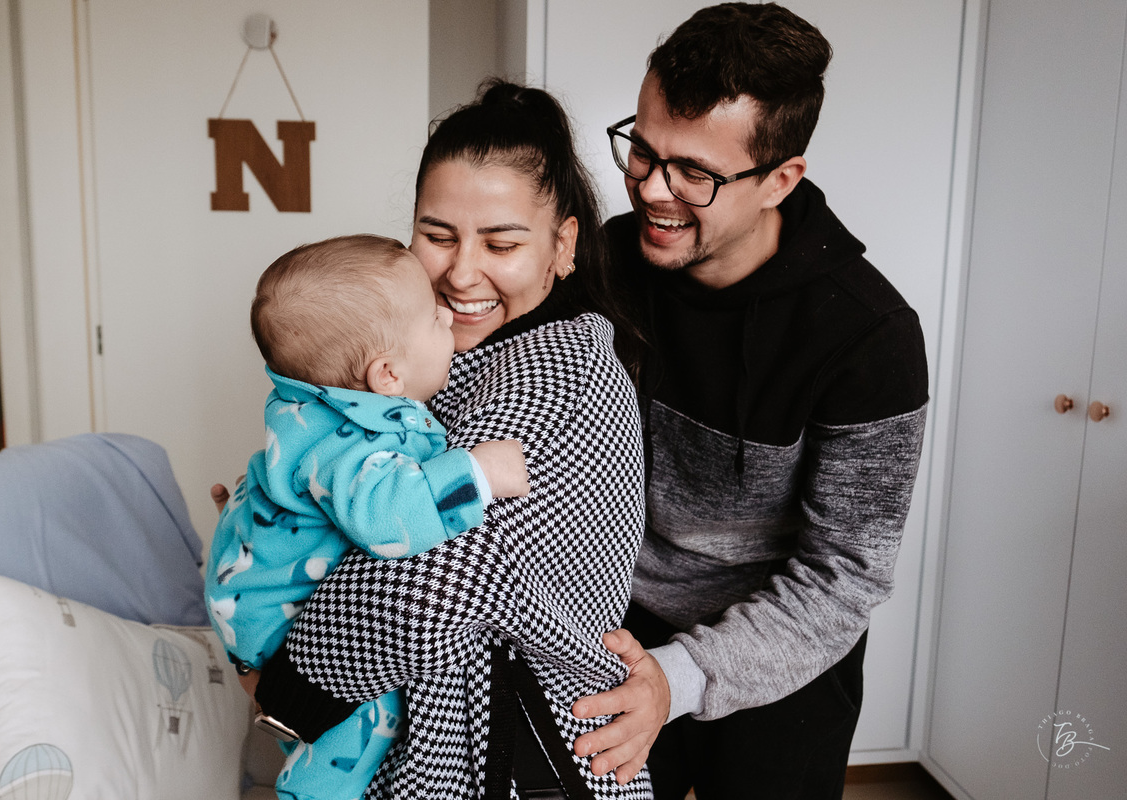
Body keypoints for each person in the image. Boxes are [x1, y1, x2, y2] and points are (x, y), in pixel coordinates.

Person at [237, 82, 652, 800]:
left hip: (521, 757)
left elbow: (434, 573)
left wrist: (287, 692)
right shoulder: (444, 356)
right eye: (437, 236)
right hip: (454, 747)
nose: (461, 273)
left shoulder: (555, 367)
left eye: (501, 242)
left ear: (564, 246)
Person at [571, 4, 930, 799]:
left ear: (780, 180)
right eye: (643, 150)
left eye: (694, 172)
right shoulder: (602, 267)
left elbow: (844, 576)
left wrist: (681, 676)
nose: (653, 191)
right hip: (613, 622)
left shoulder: (869, 335)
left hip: (783, 643)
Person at [205, 234, 529, 800]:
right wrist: (477, 473)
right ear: (387, 376)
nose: (449, 318)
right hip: (272, 611)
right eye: (434, 319)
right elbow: (387, 521)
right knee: (358, 722)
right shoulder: (351, 444)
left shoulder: (323, 404)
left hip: (257, 576)